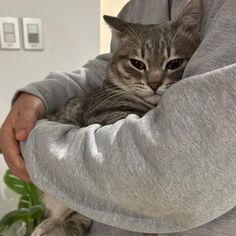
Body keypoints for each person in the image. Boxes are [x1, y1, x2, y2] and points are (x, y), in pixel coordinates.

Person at [1, 0, 236, 235]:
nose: (154, 82)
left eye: (173, 64)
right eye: (138, 64)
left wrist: (34, 144)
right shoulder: (135, 7)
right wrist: (42, 94)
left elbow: (162, 167)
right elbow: (110, 59)